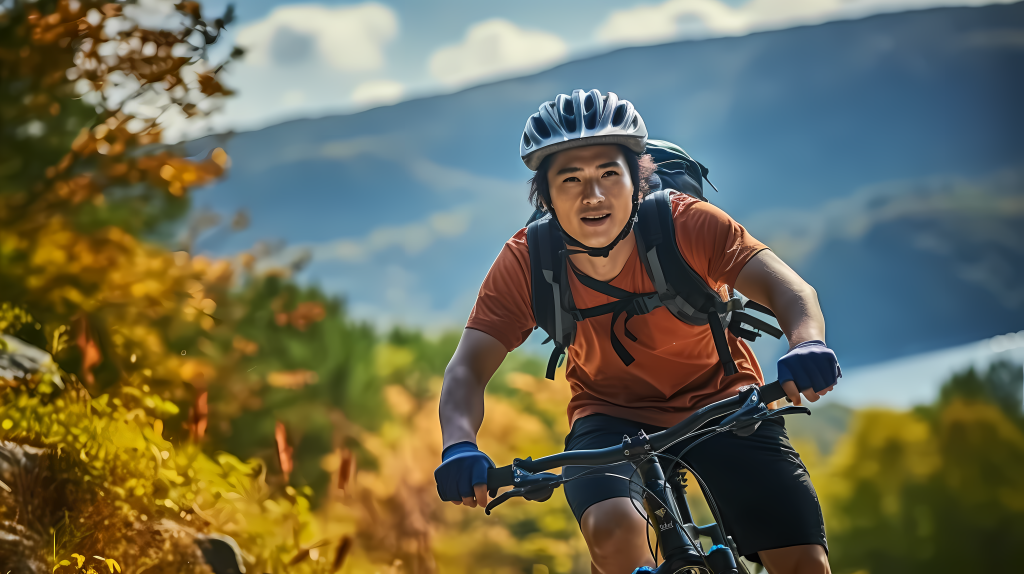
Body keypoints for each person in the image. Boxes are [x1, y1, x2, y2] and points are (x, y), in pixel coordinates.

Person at [435, 89, 841, 574]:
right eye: (571, 179)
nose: (594, 196)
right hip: (609, 418)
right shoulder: (527, 260)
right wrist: (459, 443)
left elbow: (792, 292)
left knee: (803, 560)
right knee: (611, 531)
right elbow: (467, 368)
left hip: (724, 400)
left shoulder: (689, 224)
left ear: (637, 180)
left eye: (610, 174)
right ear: (546, 195)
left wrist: (807, 342)